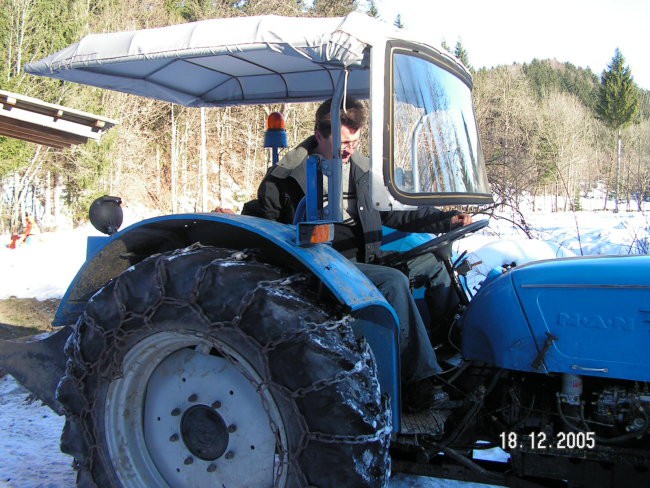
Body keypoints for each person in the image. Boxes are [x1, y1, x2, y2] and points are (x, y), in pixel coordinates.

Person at [247, 97, 473, 411]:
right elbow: (266, 228)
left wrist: (444, 219)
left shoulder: (364, 170)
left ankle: (452, 353)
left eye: (354, 141)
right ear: (320, 135)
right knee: (392, 282)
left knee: (434, 264)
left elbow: (395, 213)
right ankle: (417, 383)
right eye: (341, 141)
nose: (349, 148)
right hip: (320, 266)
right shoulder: (285, 179)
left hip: (364, 258)